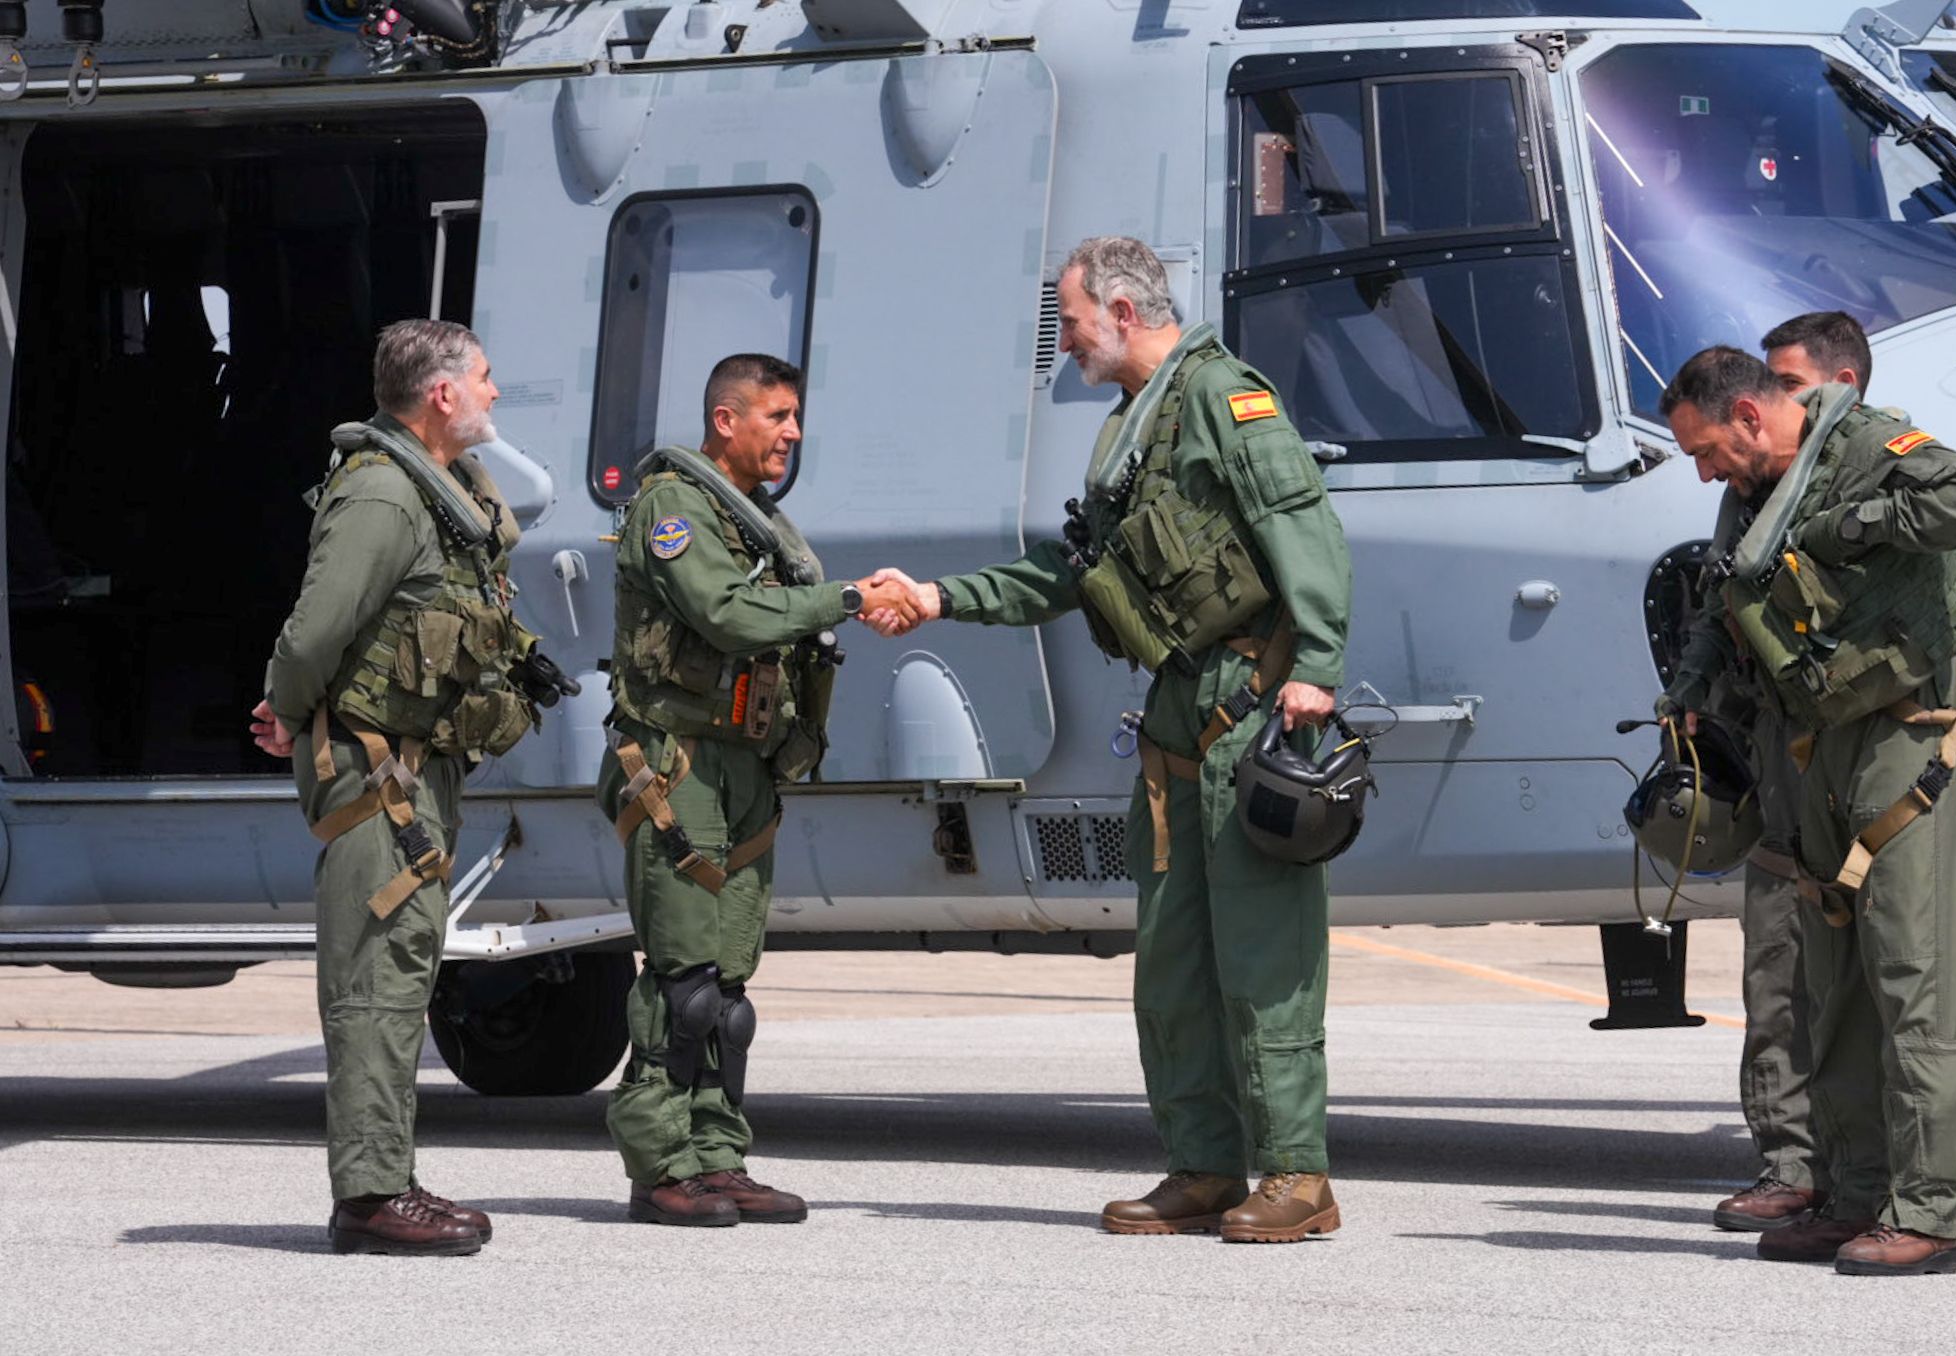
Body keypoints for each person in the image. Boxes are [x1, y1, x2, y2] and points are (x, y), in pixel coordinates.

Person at [868, 237, 1352, 1243]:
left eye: (1076, 321)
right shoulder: (1135, 425)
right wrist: (939, 597)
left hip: (1246, 708)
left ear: (1123, 312)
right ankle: (1204, 1167)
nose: (1069, 343)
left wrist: (1315, 663)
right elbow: (1072, 569)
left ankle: (1297, 1176)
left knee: (1263, 958)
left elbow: (1303, 524)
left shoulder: (1222, 399)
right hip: (1176, 726)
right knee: (1172, 968)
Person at [1658, 346, 1956, 1275]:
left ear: (1748, 414)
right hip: (1814, 745)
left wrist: (1858, 523)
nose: (1705, 473)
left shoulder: (1866, 447)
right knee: (1837, 987)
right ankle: (1854, 1196)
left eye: (1706, 450)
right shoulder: (1754, 494)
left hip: (1904, 738)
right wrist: (1690, 688)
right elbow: (1729, 596)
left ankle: (1927, 1214)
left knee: (1914, 978)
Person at [253, 318, 558, 1255]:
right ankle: (370, 1197)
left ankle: (387, 1178)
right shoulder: (385, 495)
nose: (495, 393)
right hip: (376, 774)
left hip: (418, 770)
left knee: (402, 968)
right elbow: (315, 631)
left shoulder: (444, 488)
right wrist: (286, 709)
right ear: (442, 393)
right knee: (376, 979)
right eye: (485, 377)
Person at [597, 353, 919, 1228]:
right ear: (725, 420)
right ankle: (662, 1166)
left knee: (728, 993)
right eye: (776, 416)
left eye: (794, 416)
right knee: (684, 981)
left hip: (745, 764)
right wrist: (849, 598)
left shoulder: (755, 522)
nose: (792, 433)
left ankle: (717, 1157)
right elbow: (727, 615)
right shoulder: (673, 508)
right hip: (679, 765)